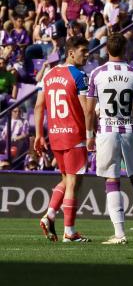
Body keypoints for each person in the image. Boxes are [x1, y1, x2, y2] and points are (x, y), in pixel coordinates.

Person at [85, 35, 133, 245]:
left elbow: (90, 110)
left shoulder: (96, 74)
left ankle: (120, 234)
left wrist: (89, 136)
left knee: (112, 180)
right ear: (125, 49)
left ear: (107, 50)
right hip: (130, 129)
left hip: (107, 130)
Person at [34, 36, 90, 243]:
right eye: (83, 51)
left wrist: (39, 134)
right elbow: (86, 109)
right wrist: (92, 134)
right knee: (74, 182)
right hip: (74, 133)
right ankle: (69, 231)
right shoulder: (79, 75)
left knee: (68, 180)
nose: (87, 54)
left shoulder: (48, 75)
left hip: (55, 134)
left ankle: (49, 215)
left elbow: (39, 106)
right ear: (71, 52)